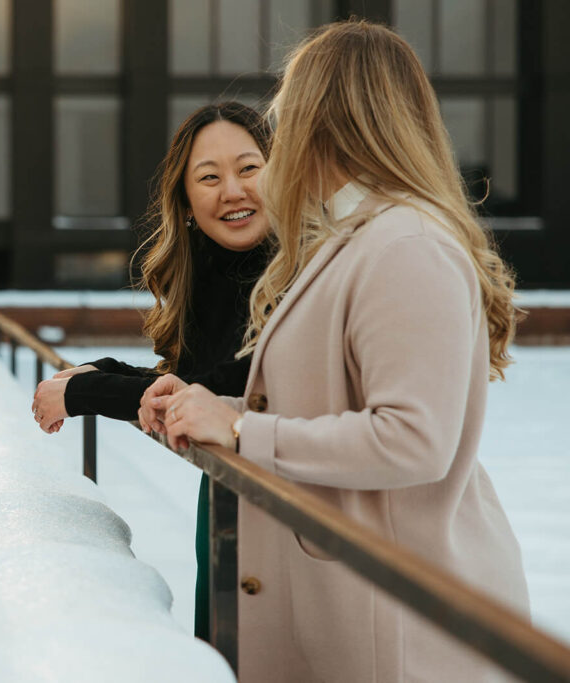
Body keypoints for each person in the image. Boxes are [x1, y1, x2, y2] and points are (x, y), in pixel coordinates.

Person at [140, 21, 529, 682]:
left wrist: (238, 428)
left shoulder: (405, 245)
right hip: (346, 610)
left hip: (400, 631)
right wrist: (209, 404)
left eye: (286, 111)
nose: (278, 130)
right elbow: (318, 400)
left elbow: (411, 441)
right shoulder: (356, 238)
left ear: (323, 118)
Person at [29, 101, 272, 643]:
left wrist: (89, 390)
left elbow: (226, 395)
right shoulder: (210, 270)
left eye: (249, 168)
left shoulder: (294, 271)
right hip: (231, 504)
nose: (232, 190)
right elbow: (197, 385)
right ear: (186, 201)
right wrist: (103, 371)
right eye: (209, 177)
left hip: (290, 527)